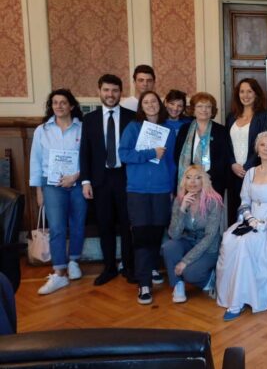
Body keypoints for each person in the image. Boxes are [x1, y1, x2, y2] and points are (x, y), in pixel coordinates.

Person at [216, 132, 267, 320]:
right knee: (229, 239)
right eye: (262, 145)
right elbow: (244, 201)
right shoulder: (250, 172)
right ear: (257, 149)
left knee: (246, 244)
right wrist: (249, 218)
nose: (266, 149)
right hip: (250, 221)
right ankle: (229, 294)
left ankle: (239, 302)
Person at [118, 91, 176, 305]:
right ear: (141, 106)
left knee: (157, 231)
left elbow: (171, 162)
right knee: (142, 234)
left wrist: (172, 187)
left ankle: (151, 267)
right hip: (138, 190)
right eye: (146, 102)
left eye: (154, 101)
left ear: (159, 105)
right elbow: (124, 154)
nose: (151, 105)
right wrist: (151, 153)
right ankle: (143, 284)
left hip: (162, 189)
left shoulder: (168, 130)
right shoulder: (133, 128)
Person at [29, 89, 87, 295]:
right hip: (51, 185)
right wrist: (39, 190)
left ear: (71, 106)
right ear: (51, 106)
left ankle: (74, 261)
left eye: (63, 102)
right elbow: (35, 161)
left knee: (78, 223)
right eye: (55, 102)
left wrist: (76, 176)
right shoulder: (42, 130)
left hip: (77, 183)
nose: (59, 106)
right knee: (57, 227)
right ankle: (59, 271)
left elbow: (89, 157)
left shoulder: (82, 128)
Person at [80, 74, 135, 286]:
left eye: (114, 90)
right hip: (100, 180)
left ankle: (129, 267)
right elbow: (85, 152)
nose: (110, 94)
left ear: (121, 92)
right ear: (99, 91)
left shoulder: (132, 117)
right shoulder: (89, 119)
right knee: (105, 225)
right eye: (106, 90)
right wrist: (85, 181)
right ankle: (109, 267)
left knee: (127, 224)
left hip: (125, 178)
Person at [162, 165, 223, 303]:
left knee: (190, 274)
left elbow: (210, 237)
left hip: (208, 247)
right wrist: (182, 209)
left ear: (204, 181)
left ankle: (210, 277)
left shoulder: (214, 201)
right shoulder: (179, 200)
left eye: (198, 178)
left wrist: (185, 261)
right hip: (188, 240)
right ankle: (178, 285)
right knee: (169, 247)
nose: (192, 182)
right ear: (184, 181)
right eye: (188, 178)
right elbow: (174, 235)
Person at [226, 78, 267, 224]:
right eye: (242, 91)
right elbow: (227, 144)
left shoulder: (263, 116)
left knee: (252, 212)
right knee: (234, 211)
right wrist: (232, 164)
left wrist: (247, 167)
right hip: (233, 173)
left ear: (256, 94)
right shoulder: (231, 117)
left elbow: (262, 144)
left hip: (253, 172)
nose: (245, 95)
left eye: (249, 91)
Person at [175, 92, 232, 198]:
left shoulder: (221, 131)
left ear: (212, 110)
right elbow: (177, 155)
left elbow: (224, 159)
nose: (204, 110)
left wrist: (205, 179)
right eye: (200, 106)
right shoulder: (184, 129)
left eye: (208, 107)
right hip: (189, 183)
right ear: (193, 109)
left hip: (213, 183)